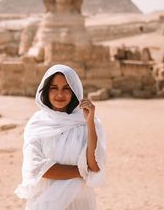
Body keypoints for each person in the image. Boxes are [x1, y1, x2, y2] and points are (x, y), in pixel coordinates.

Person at [15, 64, 106, 210]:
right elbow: (36, 168)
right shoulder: (37, 124)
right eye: (54, 88)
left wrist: (89, 123)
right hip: (45, 203)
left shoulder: (86, 123)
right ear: (46, 90)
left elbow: (94, 167)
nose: (60, 95)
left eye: (66, 88)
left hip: (80, 203)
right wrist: (81, 171)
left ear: (74, 91)